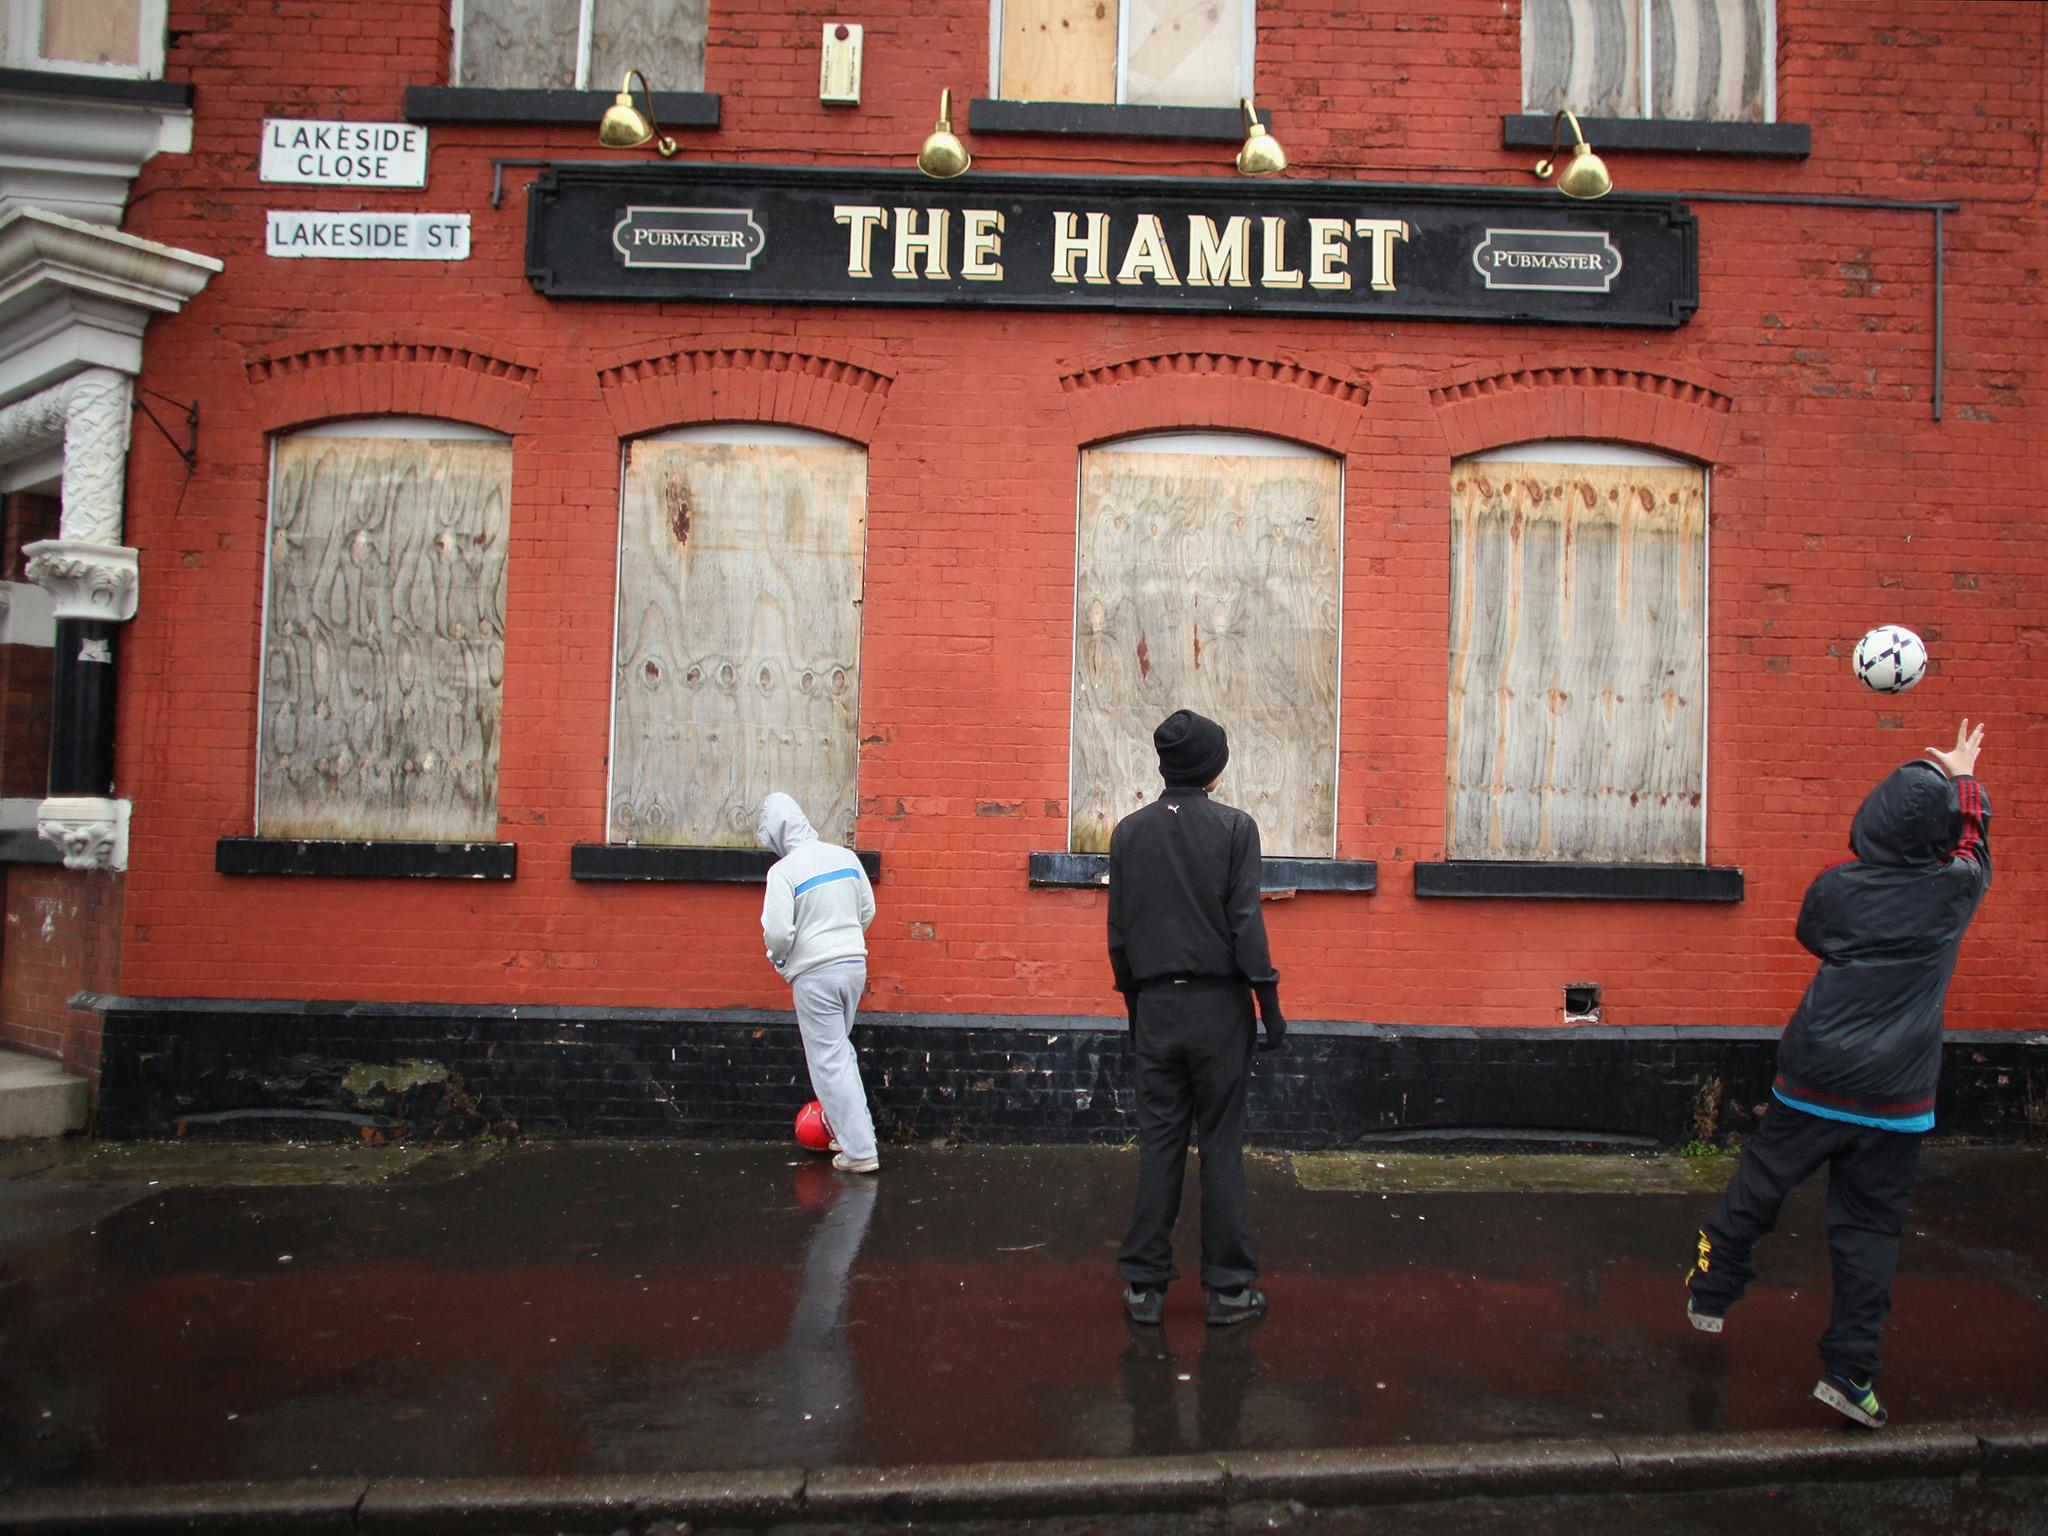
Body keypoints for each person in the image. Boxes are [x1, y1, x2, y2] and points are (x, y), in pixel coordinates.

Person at [1686, 719, 1990, 1428]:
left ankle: (1711, 1285)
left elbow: (1812, 936)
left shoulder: (1839, 887)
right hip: (1898, 1097)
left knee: (1759, 1184)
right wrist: (1963, 777)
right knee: (1870, 1234)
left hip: (1815, 1073)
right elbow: (1977, 840)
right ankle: (1850, 1375)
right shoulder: (1955, 892)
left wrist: (1939, 774)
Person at [1108, 709, 1286, 1328]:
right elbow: (1245, 924)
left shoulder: (1130, 834)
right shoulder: (1236, 828)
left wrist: (1138, 1011)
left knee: (1158, 1143)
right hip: (1220, 1009)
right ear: (1216, 766)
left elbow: (1120, 937)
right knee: (1220, 1145)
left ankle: (1144, 1287)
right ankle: (1230, 1292)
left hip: (1157, 1008)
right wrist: (1270, 1006)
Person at [758, 792, 881, 1174]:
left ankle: (860, 1151)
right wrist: (846, 939)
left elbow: (777, 932)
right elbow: (868, 910)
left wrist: (781, 960)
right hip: (853, 967)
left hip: (815, 974)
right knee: (839, 1055)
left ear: (776, 834)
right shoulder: (845, 857)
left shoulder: (784, 871)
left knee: (829, 1061)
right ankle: (849, 1134)